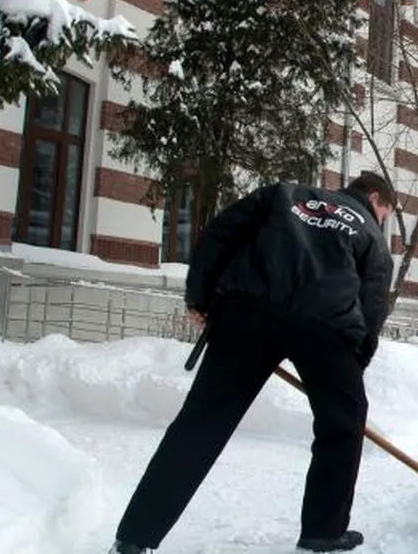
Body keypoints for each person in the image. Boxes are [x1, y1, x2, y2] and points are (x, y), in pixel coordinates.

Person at [109, 173, 396, 554]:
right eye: (385, 212)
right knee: (343, 424)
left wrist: (201, 297)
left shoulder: (283, 195)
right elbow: (373, 297)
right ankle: (322, 534)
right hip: (326, 329)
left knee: (201, 424)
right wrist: (354, 361)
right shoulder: (371, 234)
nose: (382, 221)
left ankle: (134, 539)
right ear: (374, 197)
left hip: (248, 312)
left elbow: (221, 234)